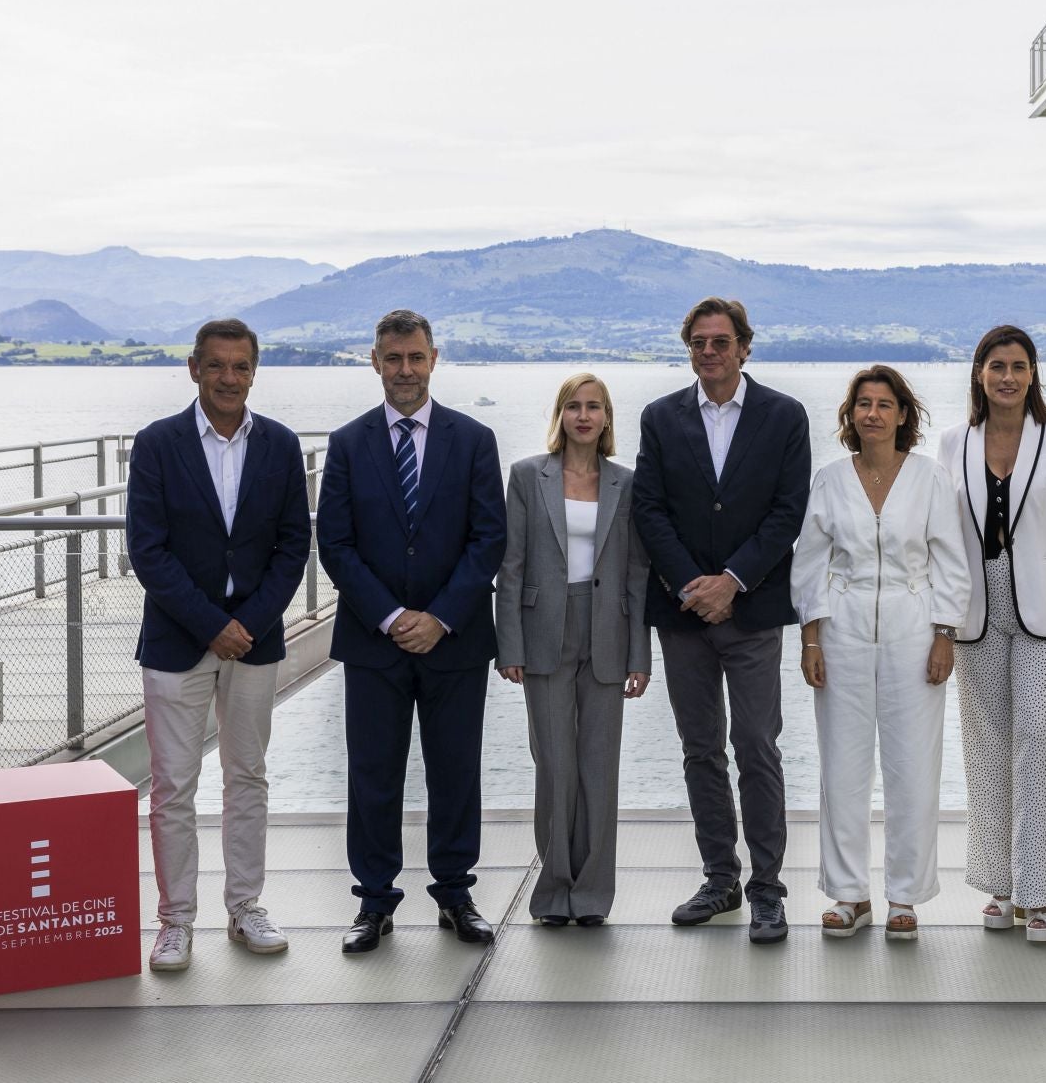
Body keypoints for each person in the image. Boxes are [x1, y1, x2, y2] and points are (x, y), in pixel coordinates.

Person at [316, 308, 507, 954]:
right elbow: (336, 545)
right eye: (393, 358)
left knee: (456, 771)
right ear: (375, 361)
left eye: (415, 358)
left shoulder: (474, 439)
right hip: (375, 641)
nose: (405, 370)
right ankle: (374, 903)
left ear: (433, 359)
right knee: (374, 774)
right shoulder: (347, 443)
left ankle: (456, 894)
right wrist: (395, 618)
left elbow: (489, 539)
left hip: (455, 639)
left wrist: (441, 616)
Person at [126, 318, 312, 972]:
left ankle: (245, 909)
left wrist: (250, 623)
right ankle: (175, 921)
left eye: (241, 367)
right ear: (193, 369)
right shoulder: (157, 444)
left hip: (256, 642)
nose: (229, 378)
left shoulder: (281, 446)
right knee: (174, 786)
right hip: (178, 640)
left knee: (248, 778)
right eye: (217, 366)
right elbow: (147, 550)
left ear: (254, 372)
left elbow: (294, 546)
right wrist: (212, 624)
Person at [632, 296, 811, 944]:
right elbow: (649, 510)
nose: (710, 351)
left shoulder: (784, 416)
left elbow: (788, 512)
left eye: (721, 341)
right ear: (689, 349)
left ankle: (767, 887)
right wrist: (691, 584)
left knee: (757, 747)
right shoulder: (660, 417)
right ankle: (720, 878)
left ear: (744, 347)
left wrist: (732, 581)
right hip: (682, 615)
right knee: (700, 749)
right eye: (699, 342)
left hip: (753, 609)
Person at [794, 367, 968, 941]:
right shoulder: (830, 479)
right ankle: (848, 893)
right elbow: (812, 562)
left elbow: (951, 562)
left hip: (914, 628)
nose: (873, 413)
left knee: (913, 768)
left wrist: (945, 633)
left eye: (884, 404)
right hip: (840, 630)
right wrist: (811, 637)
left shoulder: (929, 478)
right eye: (863, 404)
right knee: (842, 767)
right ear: (851, 415)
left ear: (902, 415)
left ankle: (905, 896)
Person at [936, 325, 1046, 943]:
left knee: (1038, 745)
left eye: (1019, 366)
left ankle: (1042, 895)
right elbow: (942, 540)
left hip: (1045, 609)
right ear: (979, 373)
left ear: (1033, 375)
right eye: (997, 365)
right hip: (974, 609)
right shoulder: (954, 442)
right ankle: (1000, 886)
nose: (1008, 376)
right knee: (985, 750)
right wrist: (942, 623)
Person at [496, 373, 651, 926]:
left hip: (608, 629)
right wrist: (507, 643)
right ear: (559, 415)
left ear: (607, 417)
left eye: (593, 407)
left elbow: (637, 573)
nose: (583, 416)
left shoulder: (626, 484)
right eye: (573, 407)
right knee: (555, 766)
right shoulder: (525, 476)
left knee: (598, 769)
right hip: (544, 632)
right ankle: (554, 891)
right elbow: (510, 566)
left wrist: (640, 655)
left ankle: (592, 897)